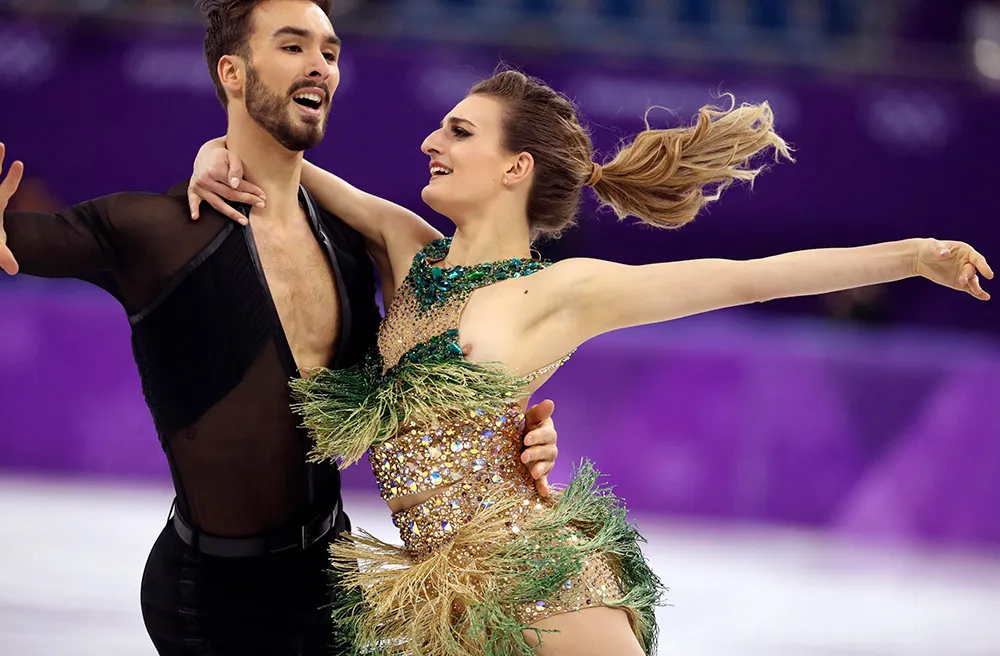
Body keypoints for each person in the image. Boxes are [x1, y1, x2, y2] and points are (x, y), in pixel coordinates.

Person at [190, 68, 992, 655]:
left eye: (460, 132)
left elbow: (752, 278)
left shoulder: (567, 290)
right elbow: (271, 167)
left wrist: (913, 254)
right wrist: (208, 154)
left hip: (539, 580)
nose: (431, 141)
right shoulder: (408, 251)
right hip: (438, 596)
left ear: (516, 168)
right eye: (441, 127)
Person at [0, 1, 561, 653]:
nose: (320, 65)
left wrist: (517, 433)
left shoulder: (359, 243)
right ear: (233, 73)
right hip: (207, 598)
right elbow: (23, 238)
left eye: (330, 51)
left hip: (334, 575)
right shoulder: (153, 231)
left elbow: (462, 359)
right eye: (294, 46)